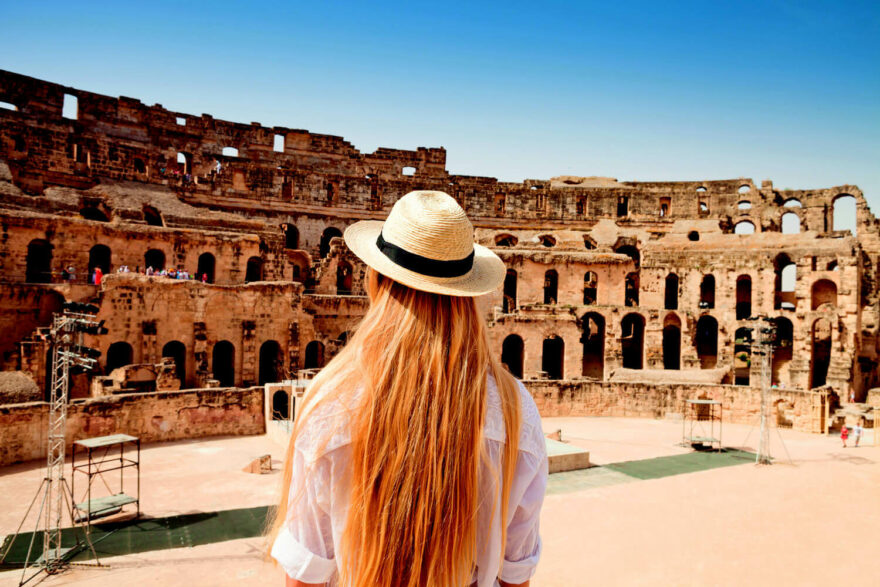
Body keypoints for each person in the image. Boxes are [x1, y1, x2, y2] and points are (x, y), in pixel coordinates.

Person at [268, 191, 547, 587]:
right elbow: (515, 575)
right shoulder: (516, 410)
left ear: (375, 279)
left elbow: (306, 576)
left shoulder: (330, 402)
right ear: (469, 293)